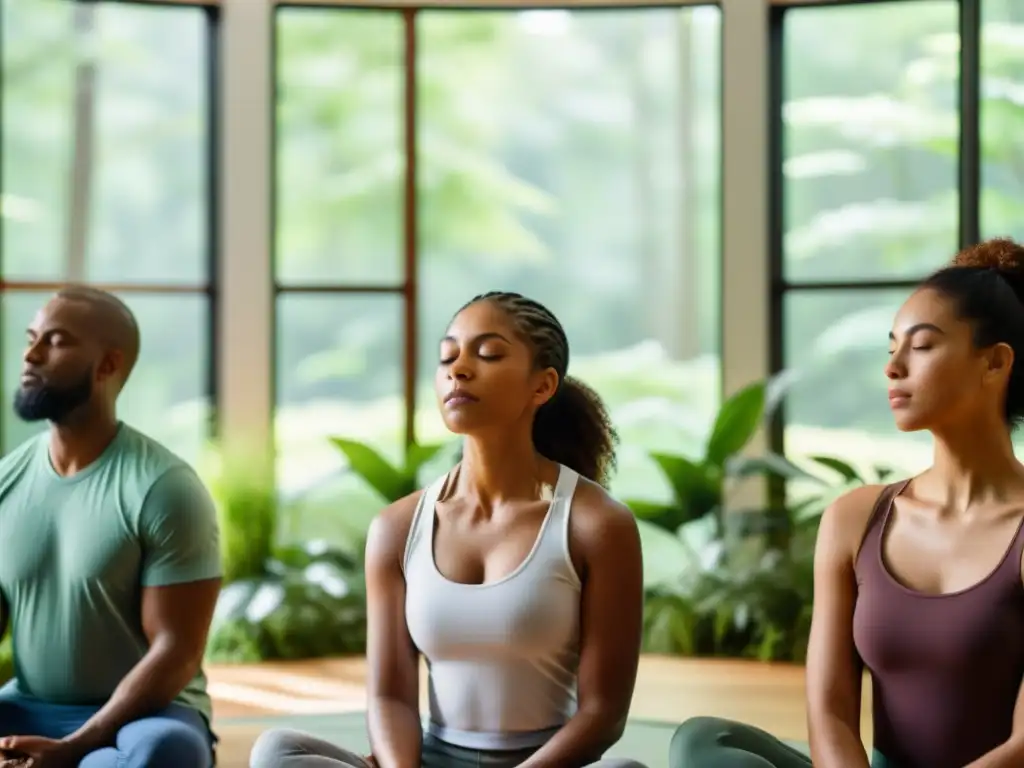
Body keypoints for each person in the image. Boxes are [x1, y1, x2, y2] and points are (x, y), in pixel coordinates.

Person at [250, 291, 648, 768]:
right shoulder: (397, 528)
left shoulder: (597, 525)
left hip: (547, 765)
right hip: (432, 762)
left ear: (541, 387)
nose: (457, 369)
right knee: (278, 752)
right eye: (447, 356)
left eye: (488, 354)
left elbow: (603, 713)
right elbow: (391, 697)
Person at [669, 237, 1024, 768]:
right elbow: (830, 710)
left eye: (922, 346)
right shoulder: (856, 519)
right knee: (703, 743)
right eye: (891, 348)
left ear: (994, 363)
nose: (893, 367)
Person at [0, 286, 222, 768]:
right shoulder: (5, 483)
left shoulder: (165, 488)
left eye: (55, 341)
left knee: (165, 754)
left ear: (107, 365)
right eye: (32, 337)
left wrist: (76, 746)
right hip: (26, 708)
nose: (31, 354)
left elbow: (176, 653)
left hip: (144, 717)